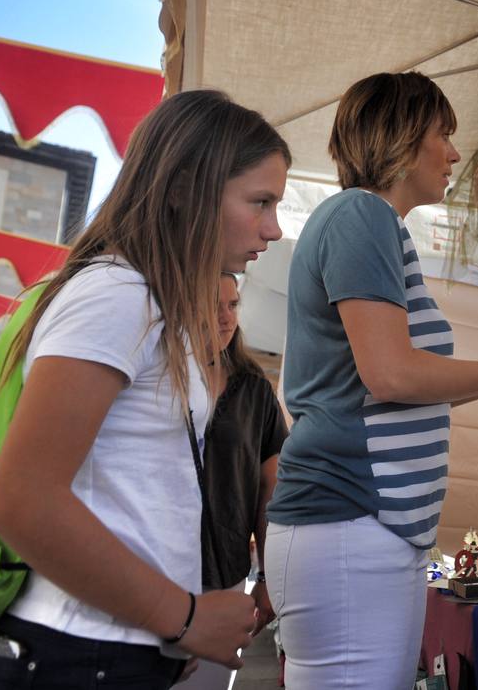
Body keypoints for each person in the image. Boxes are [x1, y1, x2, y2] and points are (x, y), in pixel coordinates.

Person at [266, 72, 478, 689]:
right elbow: (391, 373)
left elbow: (393, 373)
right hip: (350, 518)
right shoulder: (361, 215)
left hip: (366, 527)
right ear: (402, 138)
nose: (456, 153)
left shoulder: (374, 225)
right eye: (444, 134)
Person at [0, 90, 290, 688]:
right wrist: (183, 617)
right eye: (261, 201)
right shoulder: (119, 294)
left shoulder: (149, 303)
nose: (273, 228)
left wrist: (168, 624)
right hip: (77, 654)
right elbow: (22, 500)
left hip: (111, 648)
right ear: (183, 190)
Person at [188, 273, 288, 690]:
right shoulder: (158, 374)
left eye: (233, 305)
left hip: (225, 573)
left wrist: (266, 579)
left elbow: (272, 493)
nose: (226, 317)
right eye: (214, 304)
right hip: (154, 570)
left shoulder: (256, 392)